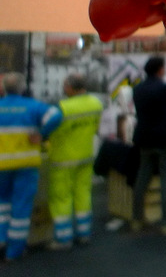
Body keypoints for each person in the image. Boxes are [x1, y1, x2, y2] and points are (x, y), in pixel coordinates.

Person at [0, 72, 62, 261]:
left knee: (2, 205)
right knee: (21, 207)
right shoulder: (33, 106)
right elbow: (56, 116)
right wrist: (42, 134)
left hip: (1, 166)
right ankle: (14, 251)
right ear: (23, 88)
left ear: (3, 88)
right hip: (26, 166)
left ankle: (1, 239)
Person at [131, 56, 166, 235]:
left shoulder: (138, 89)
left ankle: (137, 218)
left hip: (144, 137)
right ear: (161, 70)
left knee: (142, 178)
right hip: (165, 139)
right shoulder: (164, 88)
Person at [47, 74, 103, 250]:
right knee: (83, 194)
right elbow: (96, 127)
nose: (63, 88)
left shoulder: (63, 108)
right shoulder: (96, 103)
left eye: (65, 85)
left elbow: (50, 131)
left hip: (63, 159)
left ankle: (63, 238)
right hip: (86, 155)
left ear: (71, 88)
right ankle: (83, 232)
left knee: (62, 197)